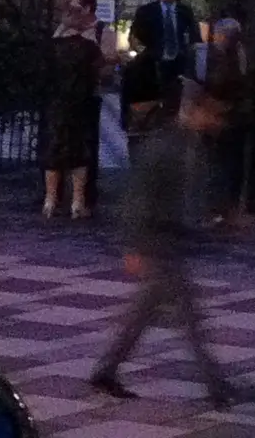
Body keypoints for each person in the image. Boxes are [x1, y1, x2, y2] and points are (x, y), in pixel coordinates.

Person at [89, 85, 233, 409]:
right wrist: (134, 246)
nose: (219, 122)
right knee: (189, 318)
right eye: (214, 114)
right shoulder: (167, 145)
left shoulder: (191, 145)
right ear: (196, 111)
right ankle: (216, 386)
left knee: (142, 315)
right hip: (157, 242)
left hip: (169, 241)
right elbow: (139, 197)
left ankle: (106, 371)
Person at [42, 0, 104, 220]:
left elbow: (42, 74)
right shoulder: (89, 48)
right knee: (80, 151)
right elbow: (98, 73)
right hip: (81, 103)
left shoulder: (52, 47)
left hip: (57, 103)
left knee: (54, 149)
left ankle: (50, 200)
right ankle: (77, 201)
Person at [202, 17, 249, 220]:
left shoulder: (232, 57)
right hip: (223, 115)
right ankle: (223, 206)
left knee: (223, 164)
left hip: (226, 116)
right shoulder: (233, 56)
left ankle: (223, 206)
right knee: (223, 164)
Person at [128, 0, 200, 104]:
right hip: (152, 63)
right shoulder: (146, 11)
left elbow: (194, 35)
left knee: (175, 99)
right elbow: (134, 35)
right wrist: (142, 53)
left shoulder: (185, 12)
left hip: (178, 63)